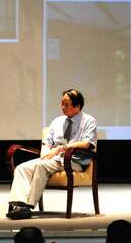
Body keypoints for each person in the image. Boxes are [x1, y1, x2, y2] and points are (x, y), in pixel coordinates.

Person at [7, 88, 96, 220]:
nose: (62, 107)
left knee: (41, 166)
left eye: (66, 105)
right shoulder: (57, 121)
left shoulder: (88, 120)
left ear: (77, 106)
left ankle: (27, 207)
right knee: (21, 168)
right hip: (54, 159)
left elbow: (87, 143)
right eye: (62, 104)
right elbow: (47, 141)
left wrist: (61, 148)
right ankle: (19, 204)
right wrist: (45, 152)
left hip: (74, 159)